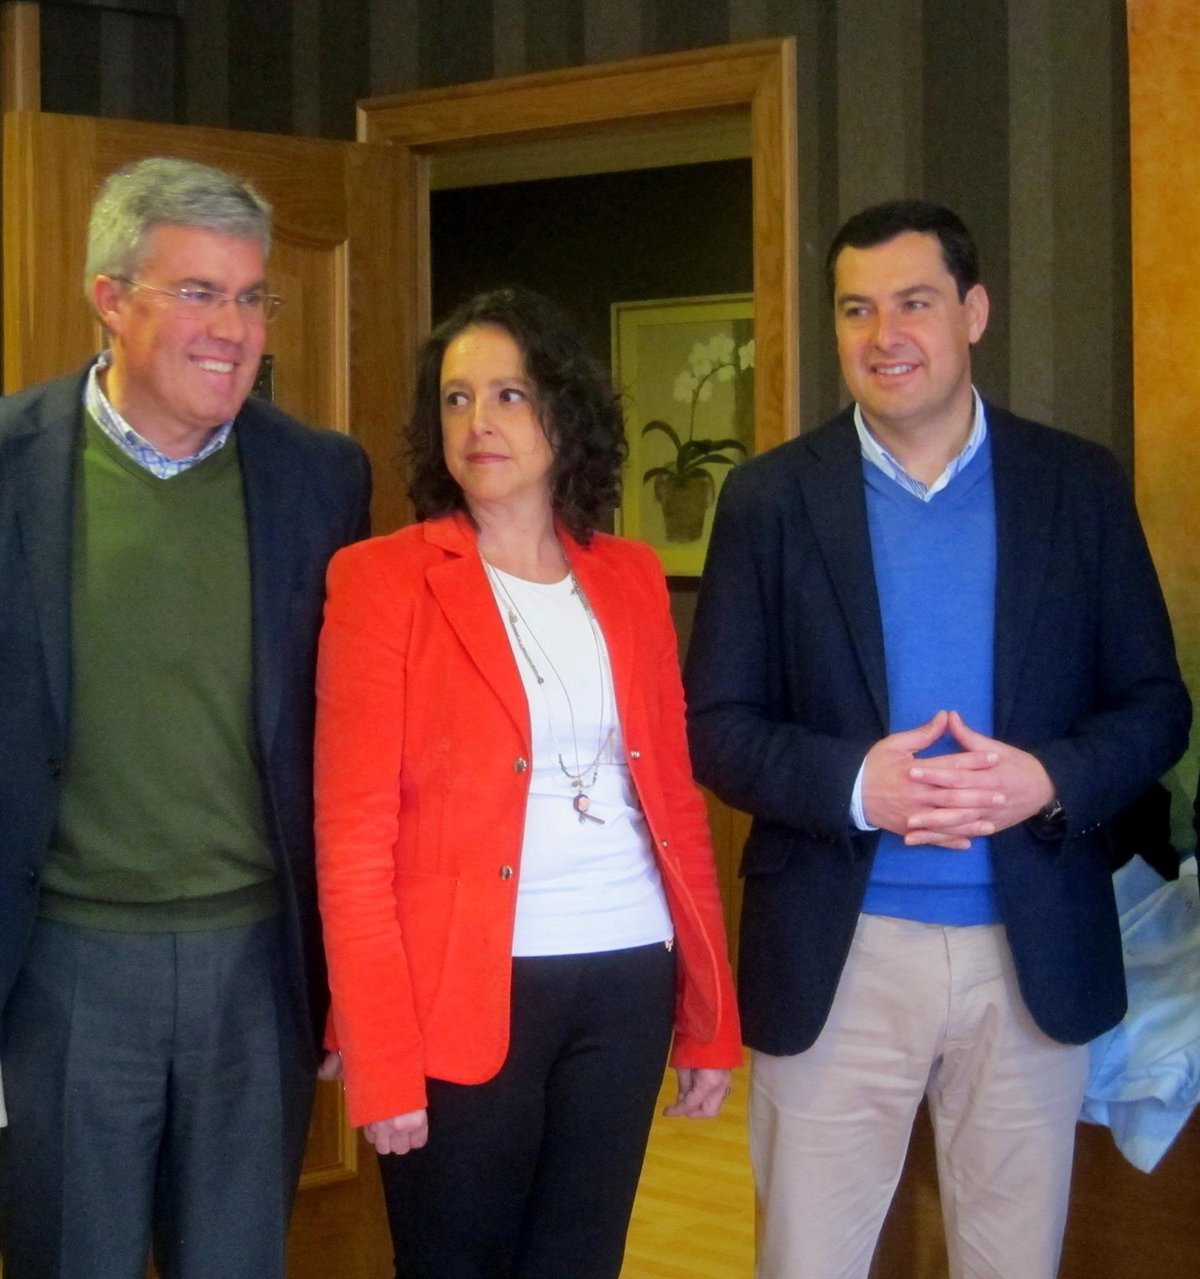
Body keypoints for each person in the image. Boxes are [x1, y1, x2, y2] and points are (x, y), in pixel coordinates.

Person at [684, 199, 1191, 1279]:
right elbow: (716, 727)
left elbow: (1156, 705)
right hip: (839, 952)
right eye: (856, 310)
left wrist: (1047, 777)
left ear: (974, 312)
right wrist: (855, 783)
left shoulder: (1077, 485)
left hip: (1032, 948)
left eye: (914, 303)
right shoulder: (770, 499)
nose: (884, 336)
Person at [314, 285, 741, 1279]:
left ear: (563, 410)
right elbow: (352, 838)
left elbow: (674, 808)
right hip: (460, 988)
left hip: (626, 977)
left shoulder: (631, 576)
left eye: (509, 394)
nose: (479, 421)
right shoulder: (381, 580)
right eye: (456, 398)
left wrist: (711, 1019)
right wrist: (378, 1053)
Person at [0, 157, 371, 1279]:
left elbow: (351, 739)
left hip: (257, 967)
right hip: (64, 967)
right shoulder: (10, 464)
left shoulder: (322, 479)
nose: (235, 329)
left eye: (252, 296)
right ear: (110, 299)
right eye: (200, 292)